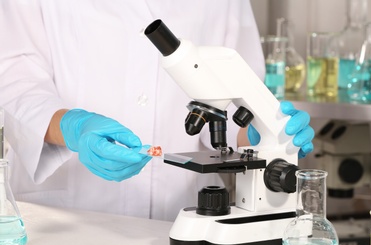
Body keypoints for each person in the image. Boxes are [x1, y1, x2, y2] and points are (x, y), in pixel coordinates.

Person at [0, 0, 314, 221]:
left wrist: (267, 130)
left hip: (181, 213)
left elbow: (233, 97)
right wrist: (73, 127)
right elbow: (14, 79)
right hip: (69, 216)